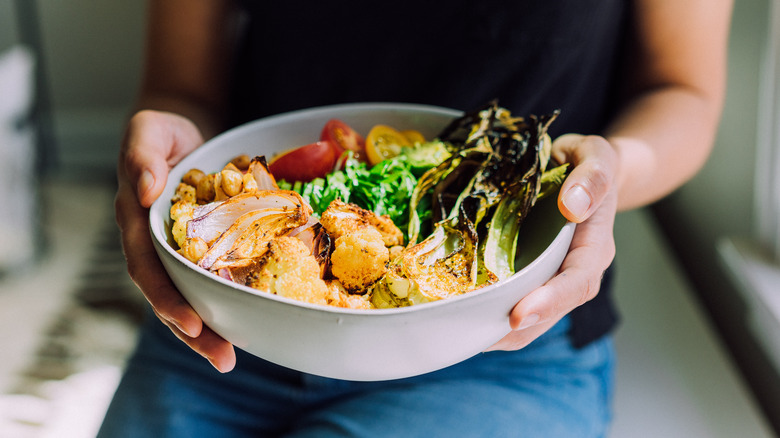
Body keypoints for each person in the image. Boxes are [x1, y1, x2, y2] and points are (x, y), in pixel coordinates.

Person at [102, 0, 733, 436]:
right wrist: (166, 167)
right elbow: (182, 87)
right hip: (221, 325)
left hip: (502, 344)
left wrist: (610, 170)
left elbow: (683, 90)